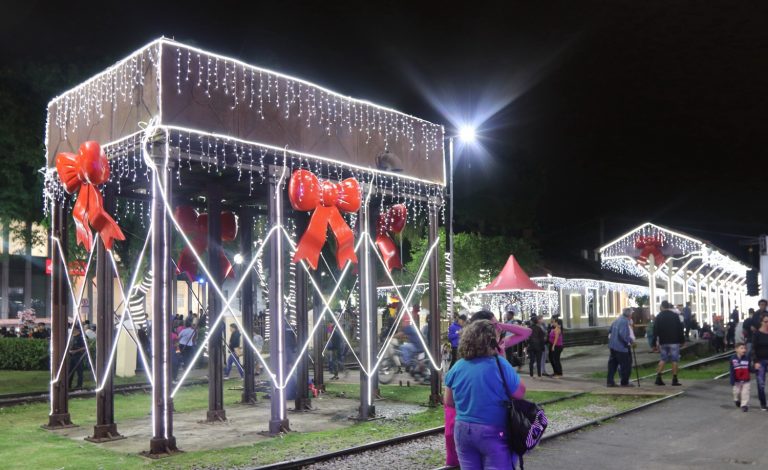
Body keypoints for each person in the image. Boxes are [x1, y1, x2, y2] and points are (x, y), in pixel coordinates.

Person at [445, 320, 526, 469]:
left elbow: (449, 401)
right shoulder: (500, 364)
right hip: (494, 429)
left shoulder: (458, 366)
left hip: (462, 430)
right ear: (491, 341)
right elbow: (520, 393)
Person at [652, 300, 685, 386]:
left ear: (662, 307)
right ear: (668, 307)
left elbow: (655, 330)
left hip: (663, 341)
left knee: (663, 359)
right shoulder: (675, 316)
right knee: (674, 360)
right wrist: (682, 340)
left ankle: (658, 378)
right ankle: (674, 379)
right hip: (674, 341)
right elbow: (680, 329)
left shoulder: (659, 317)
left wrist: (653, 343)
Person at [607, 307, 634, 387]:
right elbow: (623, 335)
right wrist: (630, 340)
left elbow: (610, 330)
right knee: (626, 365)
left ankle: (610, 381)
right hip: (621, 347)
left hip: (612, 346)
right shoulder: (624, 321)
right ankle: (625, 382)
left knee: (612, 365)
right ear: (629, 315)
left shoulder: (617, 319)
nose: (631, 315)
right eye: (631, 314)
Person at [752, 314, 768, 411]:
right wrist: (756, 361)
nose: (767, 323)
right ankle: (763, 403)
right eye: (766, 321)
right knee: (761, 383)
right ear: (761, 322)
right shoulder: (757, 334)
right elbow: (753, 349)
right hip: (760, 361)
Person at [730, 342, 751, 412]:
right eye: (741, 348)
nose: (744, 350)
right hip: (737, 380)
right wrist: (732, 379)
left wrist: (756, 369)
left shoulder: (747, 358)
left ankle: (744, 405)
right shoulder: (732, 359)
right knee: (737, 392)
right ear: (736, 349)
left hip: (746, 380)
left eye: (745, 348)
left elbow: (749, 368)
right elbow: (732, 370)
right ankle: (737, 400)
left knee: (745, 393)